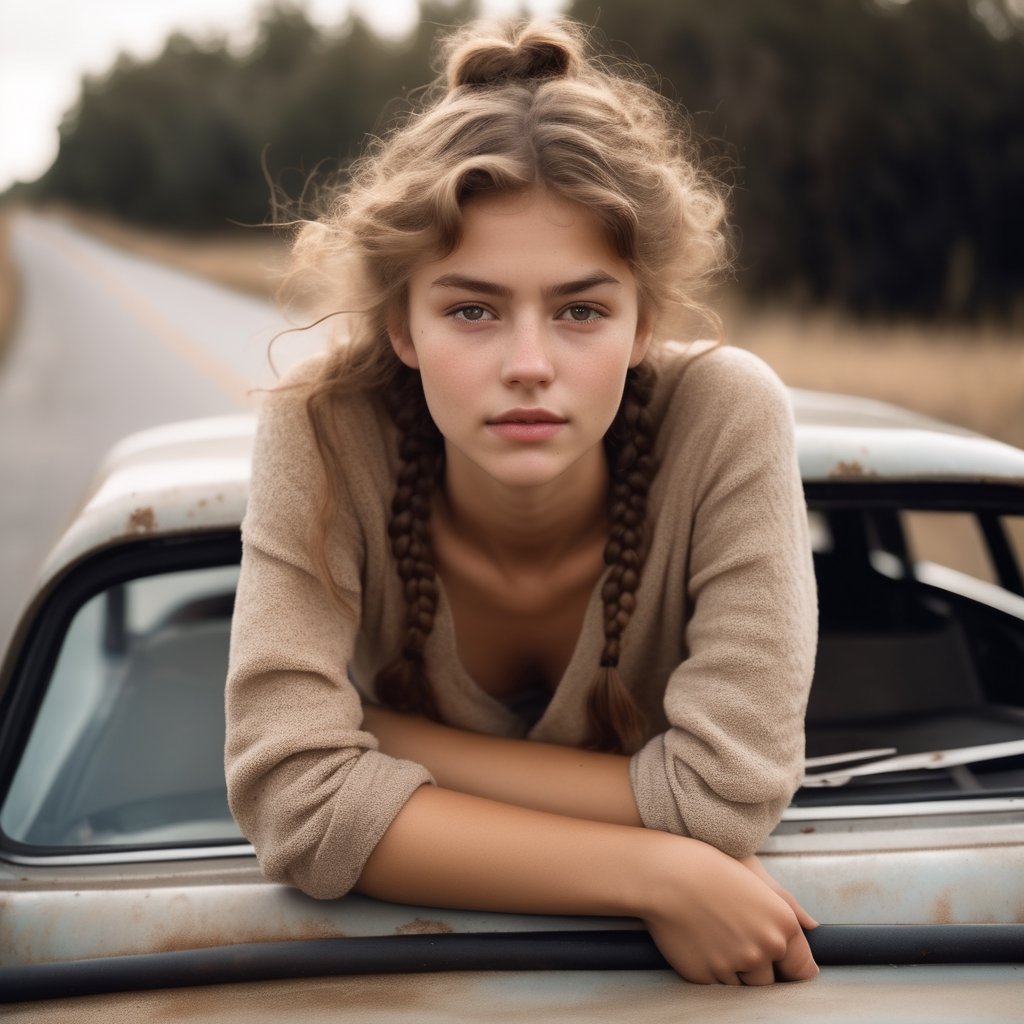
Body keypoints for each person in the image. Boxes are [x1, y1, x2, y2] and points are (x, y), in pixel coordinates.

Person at [225, 16, 819, 987]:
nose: (530, 366)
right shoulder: (326, 432)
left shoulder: (726, 418)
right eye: (471, 310)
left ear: (643, 326)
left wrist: (388, 741)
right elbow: (293, 801)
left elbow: (723, 802)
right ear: (401, 326)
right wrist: (655, 872)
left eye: (582, 309)